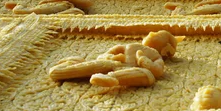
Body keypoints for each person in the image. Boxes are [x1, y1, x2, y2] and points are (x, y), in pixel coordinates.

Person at [49, 30, 182, 87]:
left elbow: (158, 70)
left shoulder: (156, 56)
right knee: (95, 65)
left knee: (148, 76)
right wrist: (109, 55)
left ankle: (112, 78)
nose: (152, 33)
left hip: (131, 69)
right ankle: (67, 68)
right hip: (115, 62)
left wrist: (148, 64)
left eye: (158, 34)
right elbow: (115, 49)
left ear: (166, 49)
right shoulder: (131, 45)